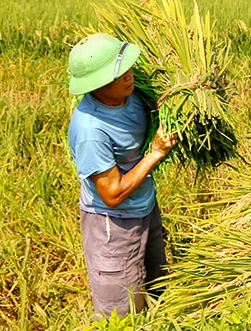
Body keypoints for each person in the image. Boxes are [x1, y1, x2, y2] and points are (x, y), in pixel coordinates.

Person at [67, 32, 179, 318]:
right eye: (119, 73)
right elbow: (112, 194)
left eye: (127, 66)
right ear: (99, 83)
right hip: (112, 224)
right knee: (120, 314)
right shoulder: (90, 130)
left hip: (145, 206)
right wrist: (155, 154)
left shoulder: (134, 94)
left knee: (157, 288)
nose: (130, 75)